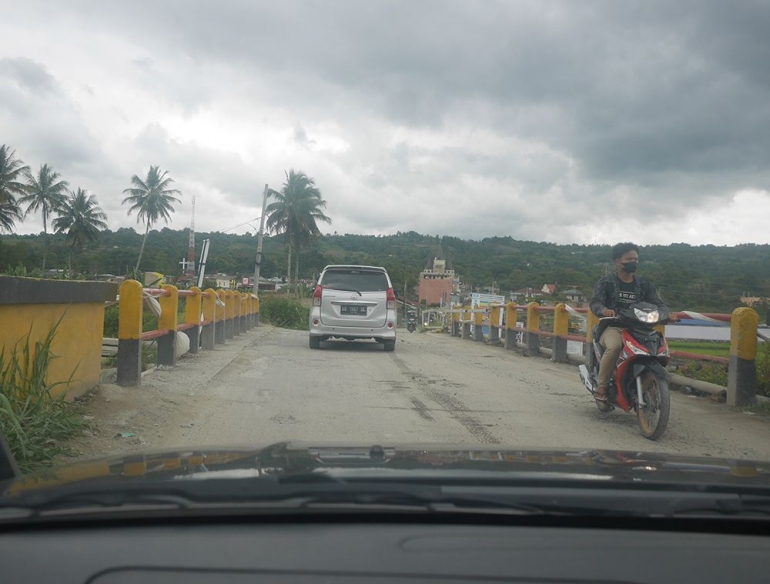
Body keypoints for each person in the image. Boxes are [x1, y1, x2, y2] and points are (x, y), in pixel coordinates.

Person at [588, 242, 668, 402]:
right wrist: (604, 310)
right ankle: (602, 386)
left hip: (640, 329)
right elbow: (595, 302)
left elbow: (659, 304)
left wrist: (666, 314)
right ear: (617, 261)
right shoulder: (606, 282)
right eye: (629, 259)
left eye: (636, 259)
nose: (634, 262)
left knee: (658, 348)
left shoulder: (644, 284)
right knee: (614, 347)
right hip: (613, 327)